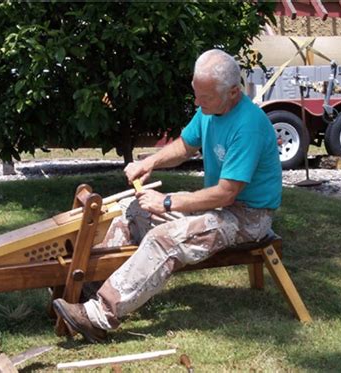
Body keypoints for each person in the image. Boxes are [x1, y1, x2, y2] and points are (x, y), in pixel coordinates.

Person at [53, 49, 282, 343]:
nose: (198, 103)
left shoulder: (248, 126)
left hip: (247, 216)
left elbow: (226, 194)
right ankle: (89, 286)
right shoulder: (211, 110)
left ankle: (99, 317)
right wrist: (150, 162)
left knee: (164, 239)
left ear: (234, 92)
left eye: (205, 97)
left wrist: (167, 202)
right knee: (132, 209)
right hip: (220, 206)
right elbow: (185, 146)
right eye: (195, 94)